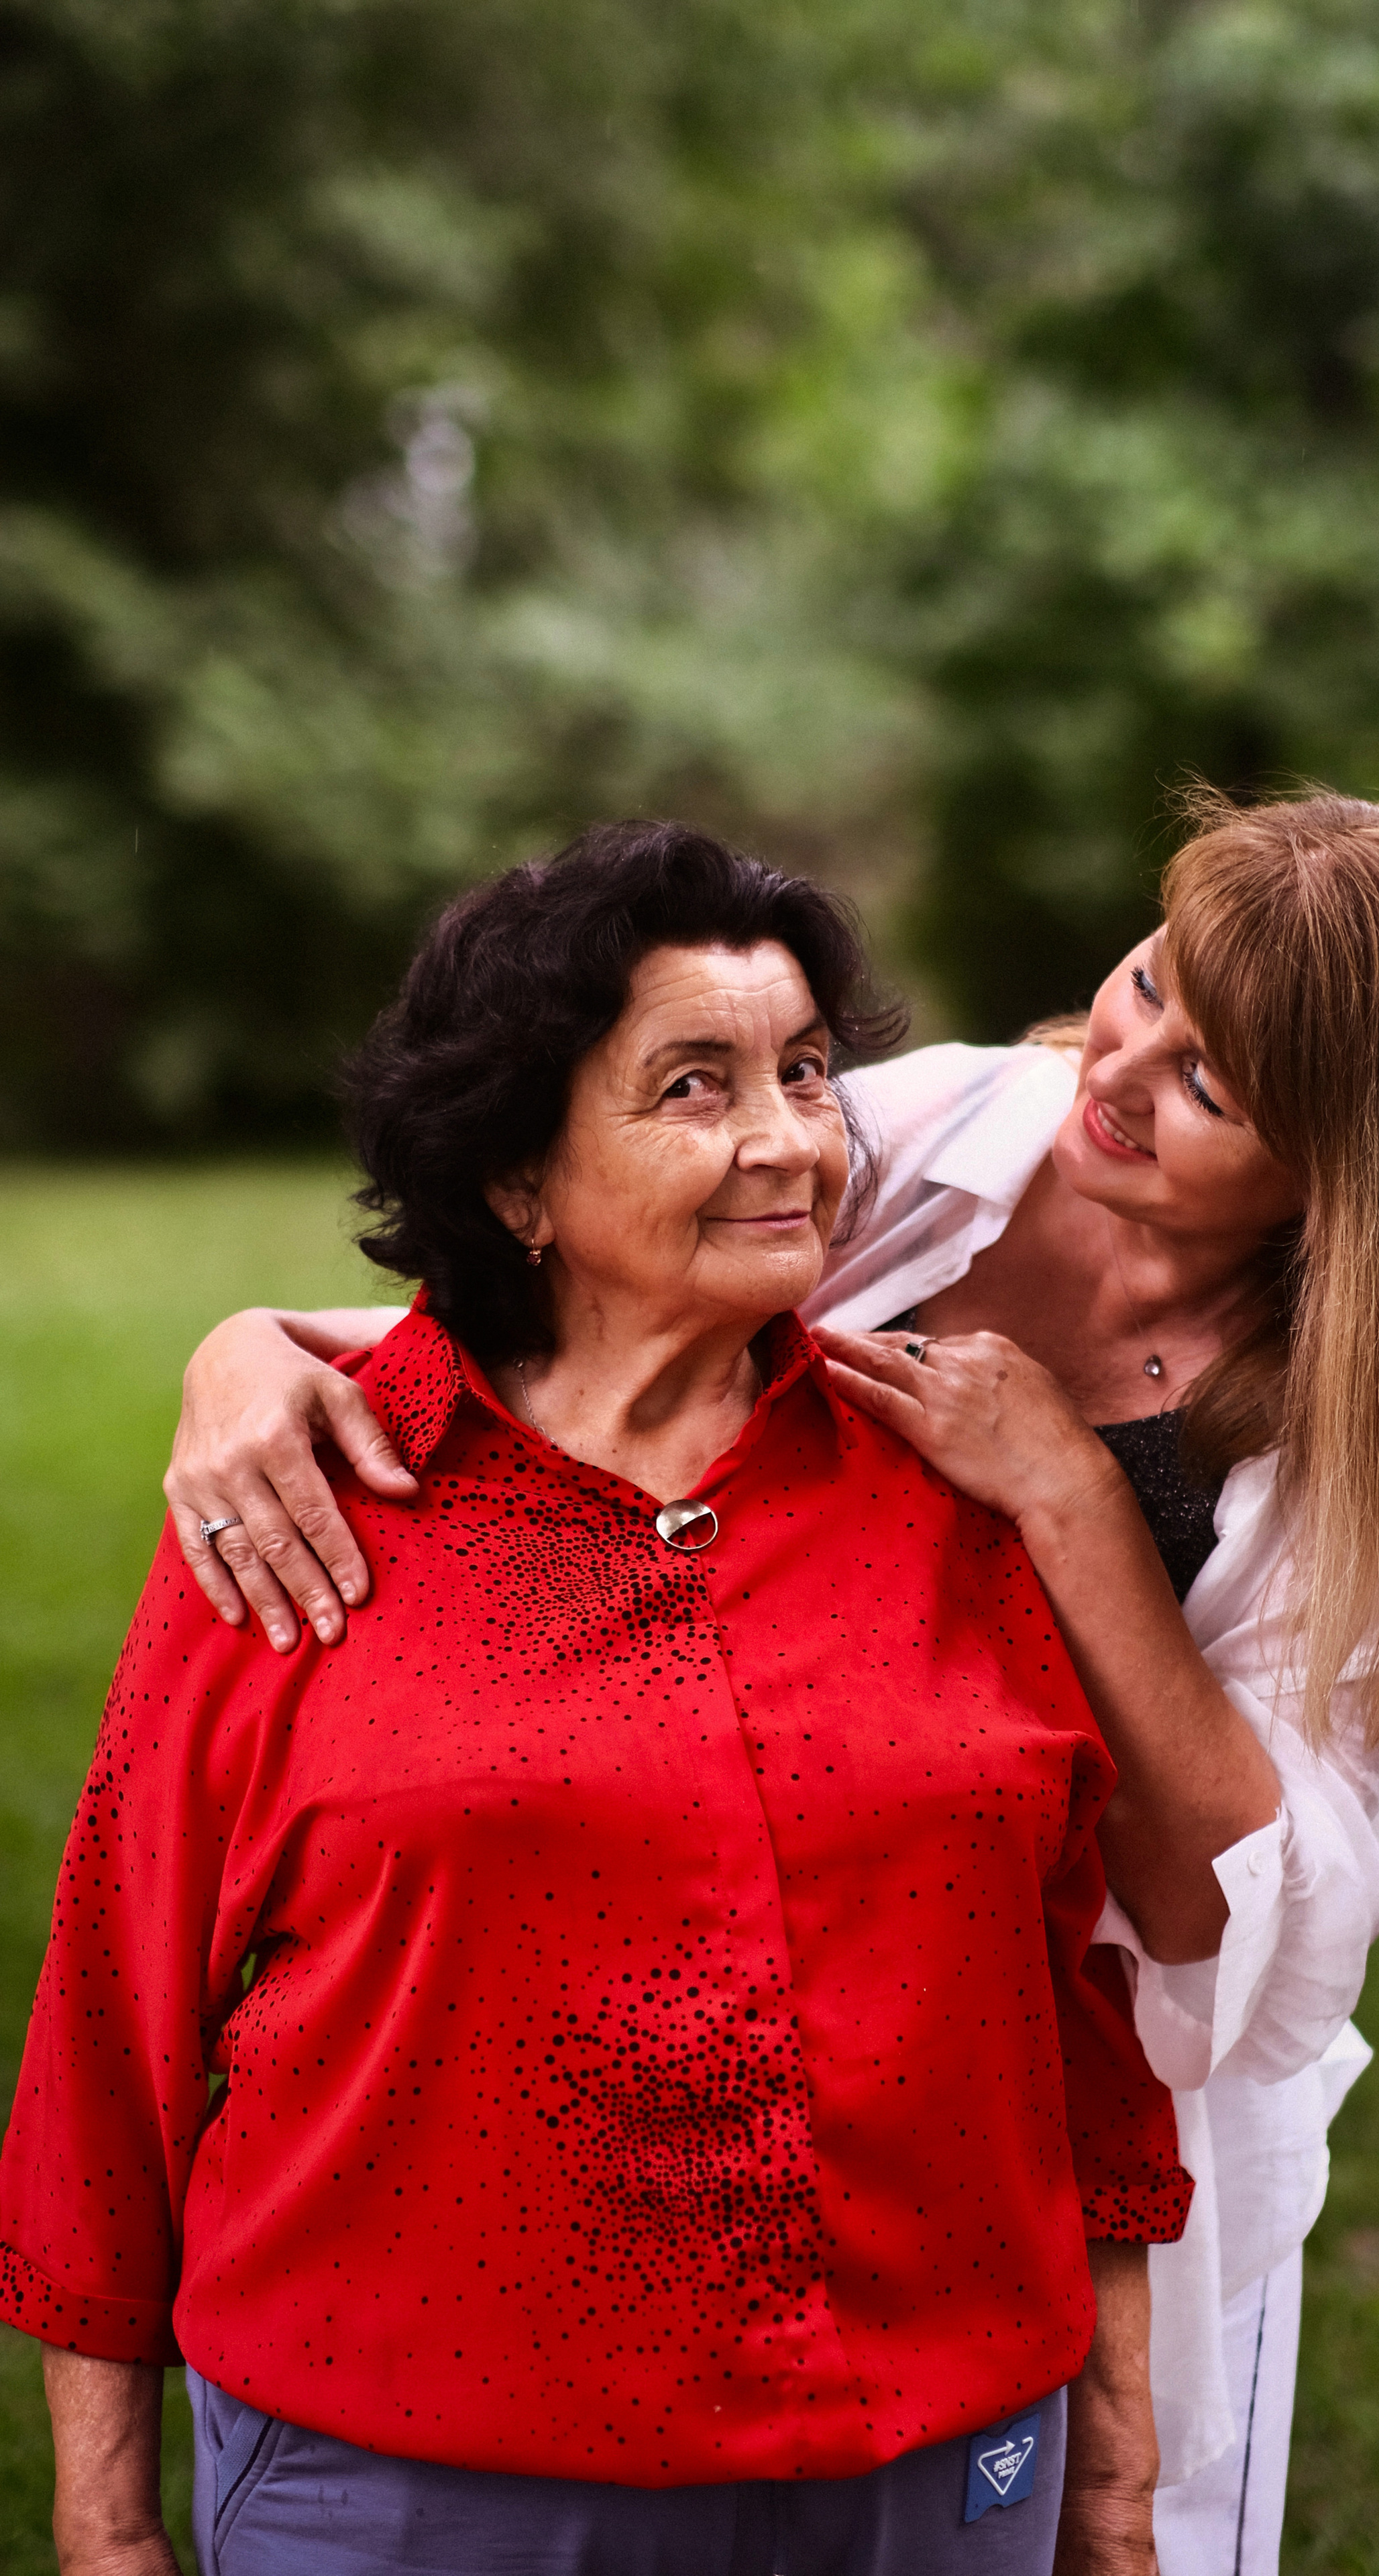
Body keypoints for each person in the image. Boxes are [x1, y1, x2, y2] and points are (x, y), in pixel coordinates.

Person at [158, 790, 1379, 2575]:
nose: (1122, 1068)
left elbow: (1242, 1930)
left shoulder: (1375, 1443)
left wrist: (1072, 1499)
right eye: (1149, 981)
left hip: (1095, 2123)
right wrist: (245, 1354)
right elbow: (582, 1323)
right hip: (815, 1992)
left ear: (1360, 1174)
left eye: (1212, 1088)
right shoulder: (938, 1132)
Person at [0, 822, 1207, 2576]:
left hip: (935, 2481)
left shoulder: (950, 1488)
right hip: (415, 2492)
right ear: (517, 1180)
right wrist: (105, 2530)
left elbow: (1072, 2016)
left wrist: (1112, 2485)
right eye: (695, 1087)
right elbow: (117, 2019)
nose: (790, 1138)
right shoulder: (296, 1501)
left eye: (803, 1070)